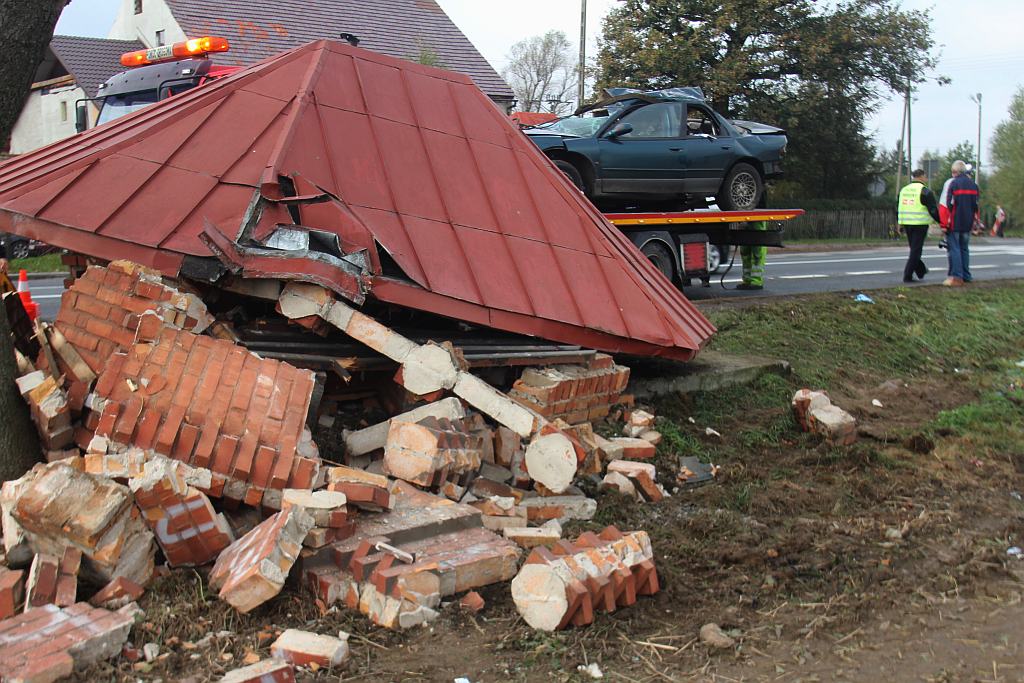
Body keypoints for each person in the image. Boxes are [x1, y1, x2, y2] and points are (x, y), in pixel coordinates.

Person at [897, 169, 940, 283]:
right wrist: (941, 221)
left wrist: (900, 224)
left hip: (907, 223)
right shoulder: (925, 191)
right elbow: (933, 210)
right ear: (921, 176)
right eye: (925, 177)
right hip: (920, 224)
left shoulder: (903, 190)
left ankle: (920, 270)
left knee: (914, 249)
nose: (926, 179)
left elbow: (898, 207)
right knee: (916, 251)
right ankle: (908, 275)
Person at [944, 160, 979, 286]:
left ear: (955, 172)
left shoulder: (954, 184)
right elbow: (976, 205)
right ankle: (966, 275)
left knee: (955, 249)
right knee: (964, 248)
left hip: (955, 222)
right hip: (968, 222)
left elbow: (950, 204)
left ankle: (957, 277)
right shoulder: (974, 185)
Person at [737, 220, 769, 290]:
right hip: (746, 221)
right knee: (745, 253)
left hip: (757, 221)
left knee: (757, 254)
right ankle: (747, 280)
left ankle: (756, 281)